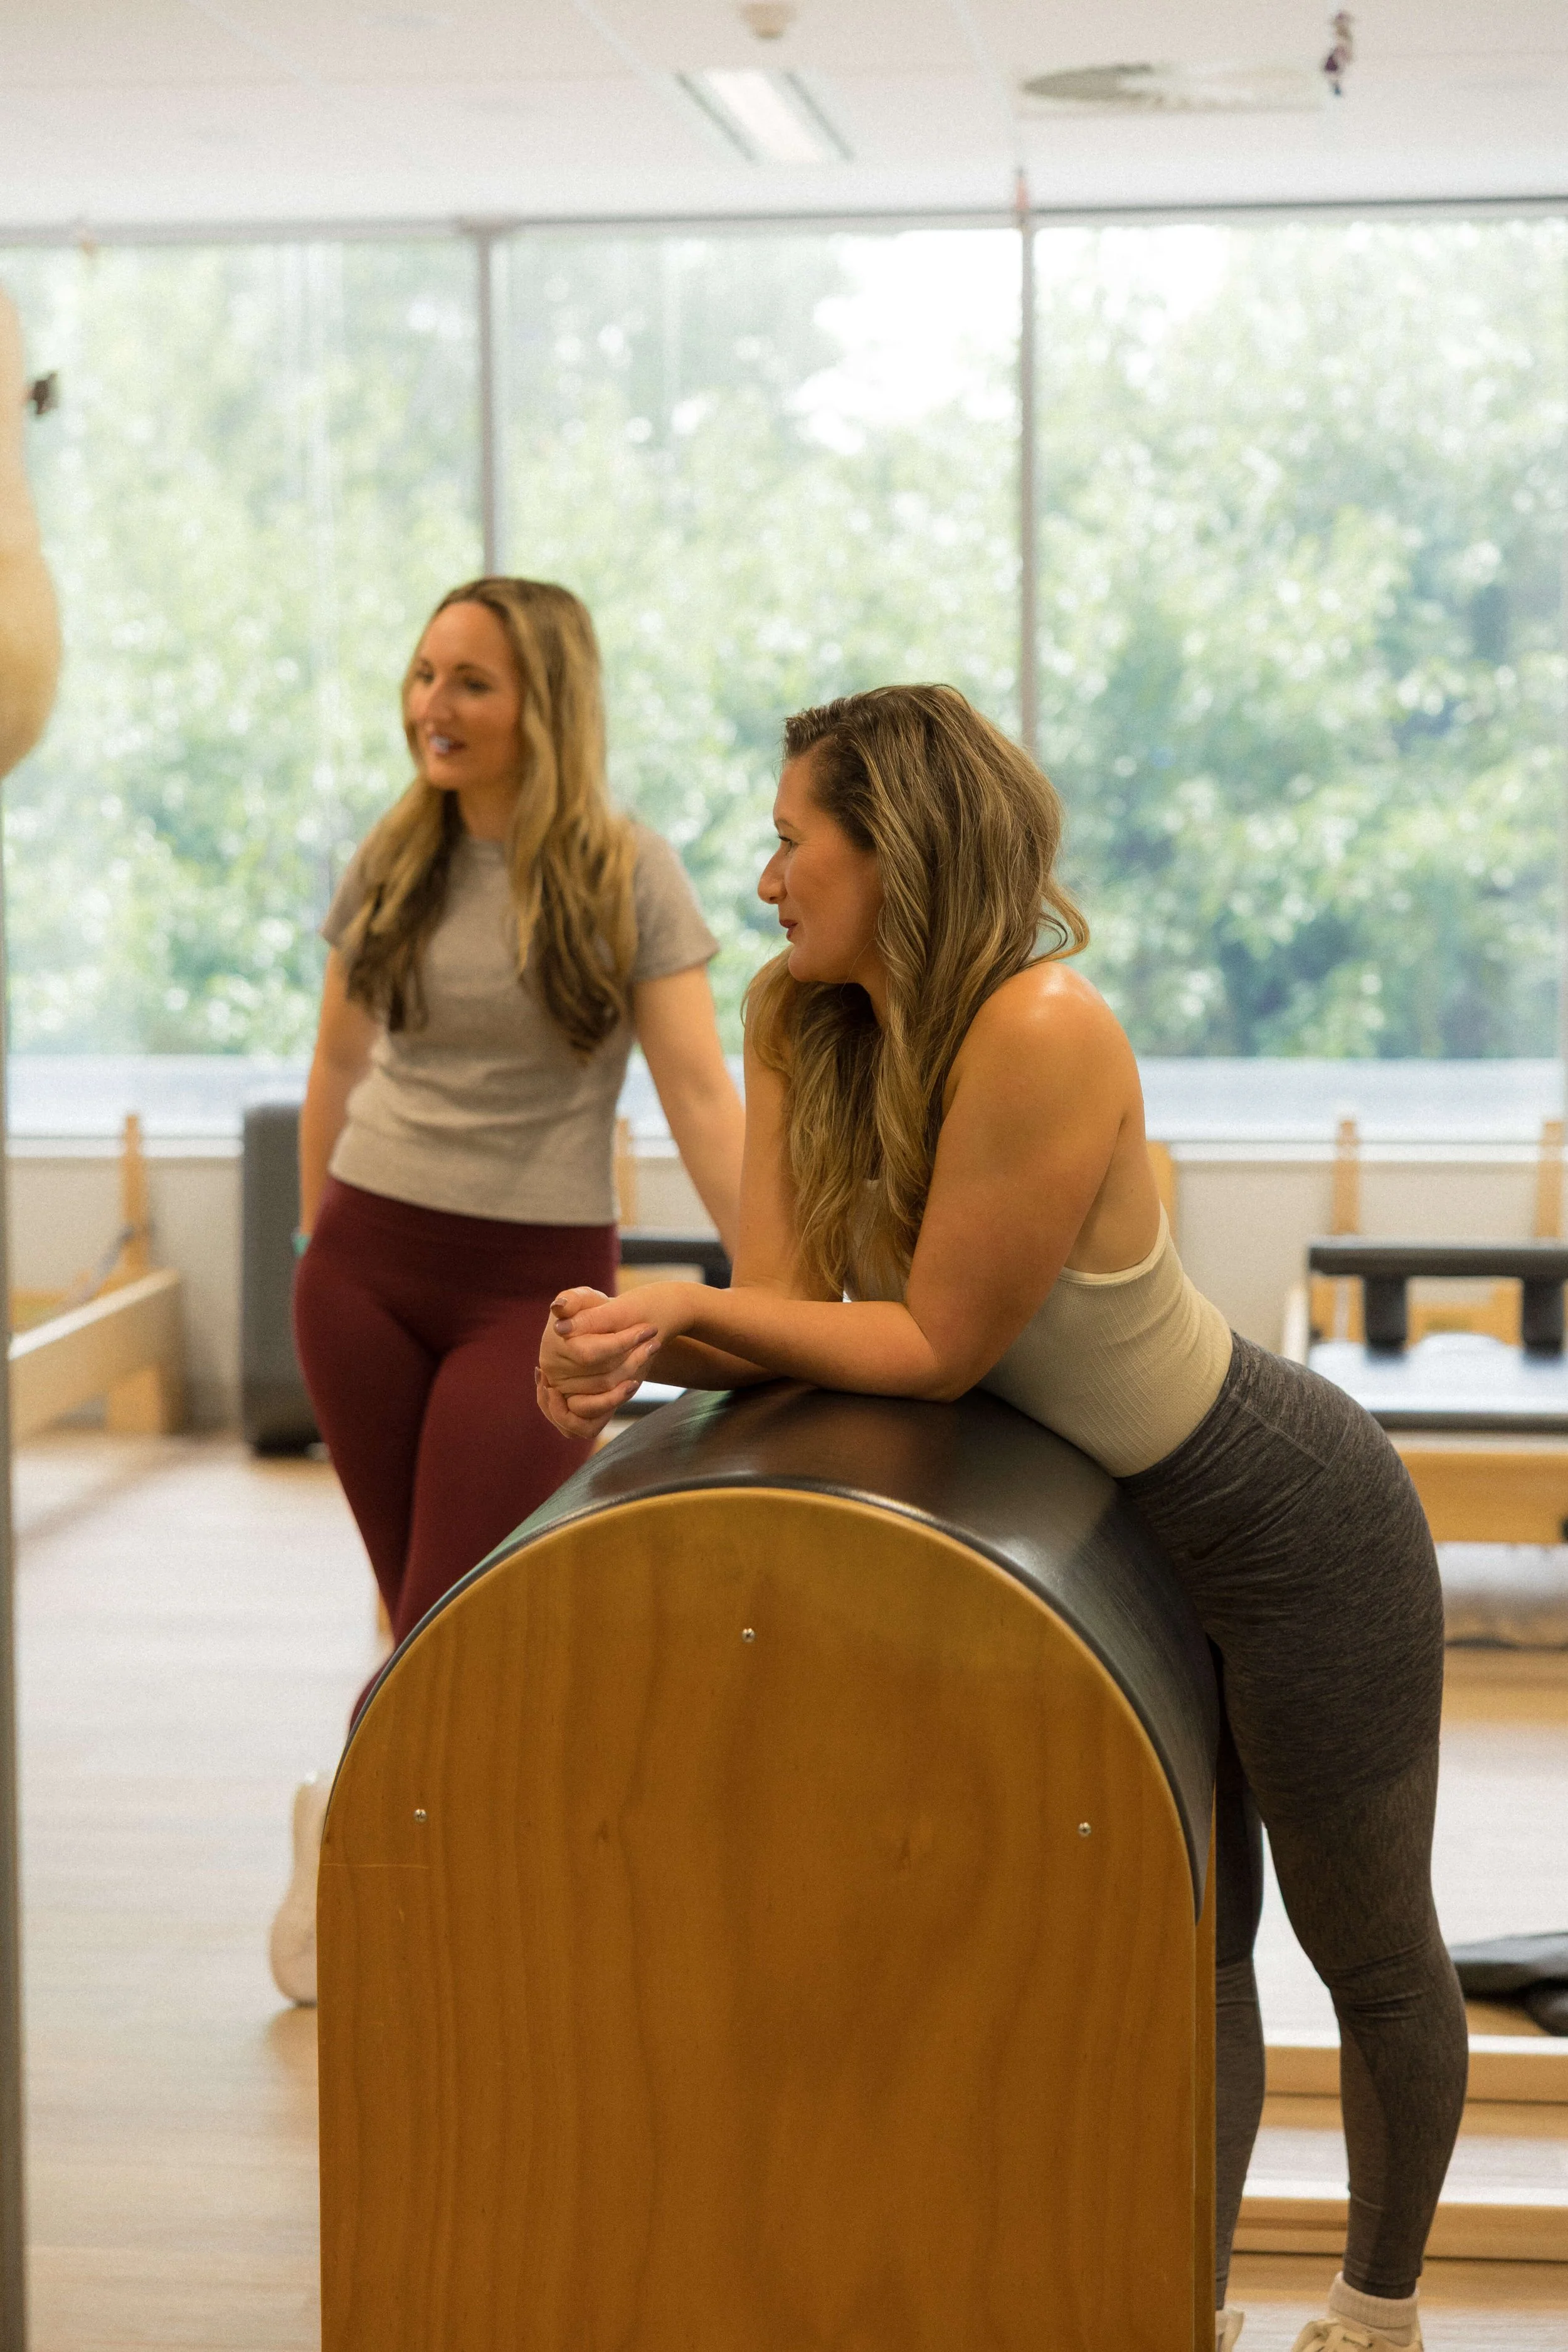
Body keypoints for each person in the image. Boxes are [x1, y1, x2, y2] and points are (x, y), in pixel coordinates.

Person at [537, 684, 1468, 2352]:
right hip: (1110, 1545)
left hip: (1284, 1517)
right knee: (1192, 1938)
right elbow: (782, 1309)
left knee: (1368, 1942)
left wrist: (671, 1316)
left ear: (890, 848)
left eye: (788, 838)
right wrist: (635, 1354)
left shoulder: (1043, 1029)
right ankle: (1181, 2308)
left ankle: (1373, 2312)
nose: (762, 881)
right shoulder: (797, 1013)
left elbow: (929, 1344)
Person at [269, 576, 744, 2006]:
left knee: (456, 1618)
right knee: (417, 1614)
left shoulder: (624, 871)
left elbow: (700, 1094)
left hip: (530, 1296)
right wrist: (315, 1249)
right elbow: (337, 1069)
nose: (434, 706)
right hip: (363, 1270)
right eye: (422, 675)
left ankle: (342, 1836)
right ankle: (429, 1887)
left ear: (546, 701)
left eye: (471, 682)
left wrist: (792, 1287)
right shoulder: (394, 857)